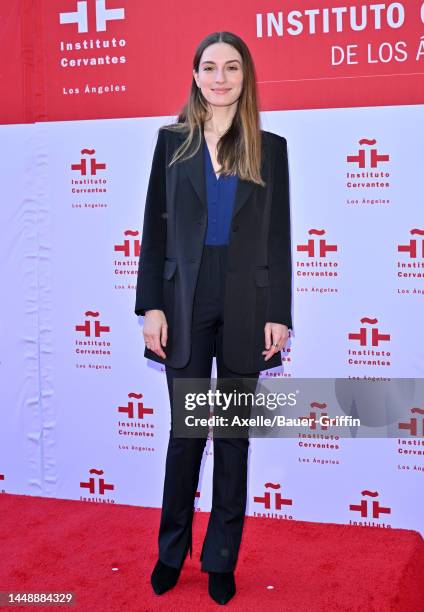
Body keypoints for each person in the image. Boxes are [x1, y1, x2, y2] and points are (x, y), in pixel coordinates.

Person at [134, 31, 292, 605]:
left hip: (248, 302)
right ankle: (171, 552)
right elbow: (155, 228)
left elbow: (278, 235)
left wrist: (279, 312)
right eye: (209, 67)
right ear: (195, 74)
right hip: (185, 299)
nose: (219, 77)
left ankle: (221, 558)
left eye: (231, 67)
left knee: (232, 439)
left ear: (245, 76)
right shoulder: (171, 141)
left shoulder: (269, 147)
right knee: (186, 435)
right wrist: (151, 304)